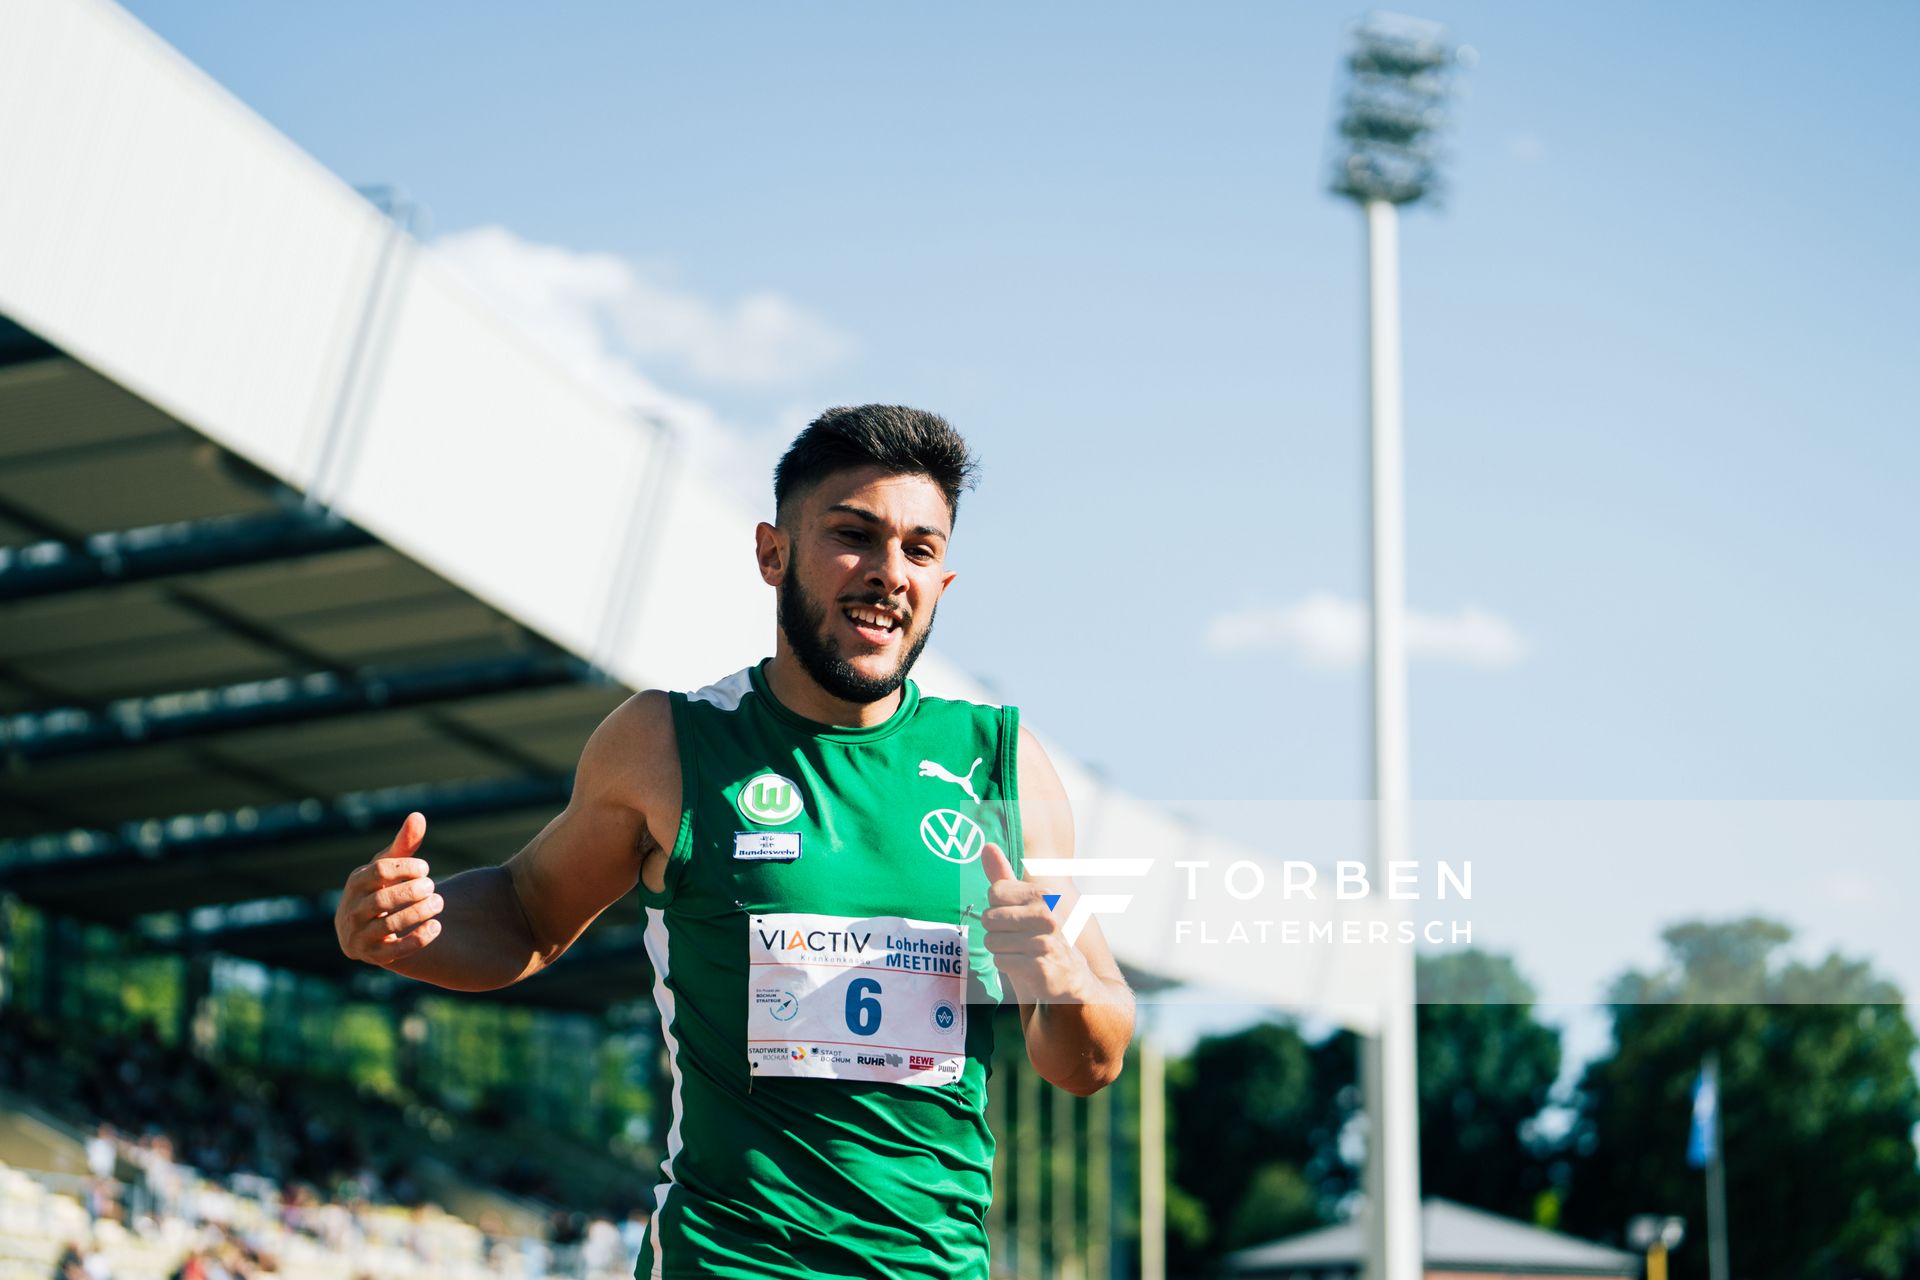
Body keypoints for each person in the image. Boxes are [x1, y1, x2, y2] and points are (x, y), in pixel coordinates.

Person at [333, 404, 1134, 1278]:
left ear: (943, 581)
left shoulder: (1000, 764)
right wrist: (414, 922)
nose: (887, 573)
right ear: (772, 553)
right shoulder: (667, 746)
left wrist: (1058, 984)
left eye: (919, 549)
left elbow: (1092, 1056)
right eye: (853, 536)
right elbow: (529, 911)